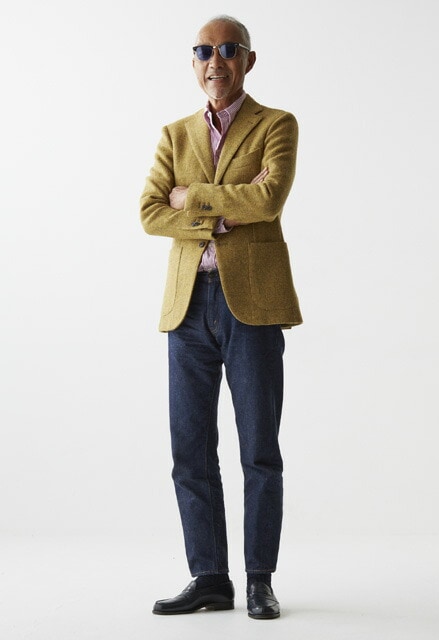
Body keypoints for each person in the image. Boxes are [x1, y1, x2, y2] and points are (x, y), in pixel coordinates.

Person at [140, 14, 302, 620]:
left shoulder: (276, 124)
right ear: (194, 62)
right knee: (190, 451)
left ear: (248, 61)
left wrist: (193, 199)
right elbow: (150, 212)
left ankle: (259, 578)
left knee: (259, 449)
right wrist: (226, 209)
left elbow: (269, 197)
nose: (216, 61)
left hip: (252, 304)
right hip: (187, 308)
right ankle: (209, 576)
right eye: (204, 51)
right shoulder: (174, 134)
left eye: (229, 49)